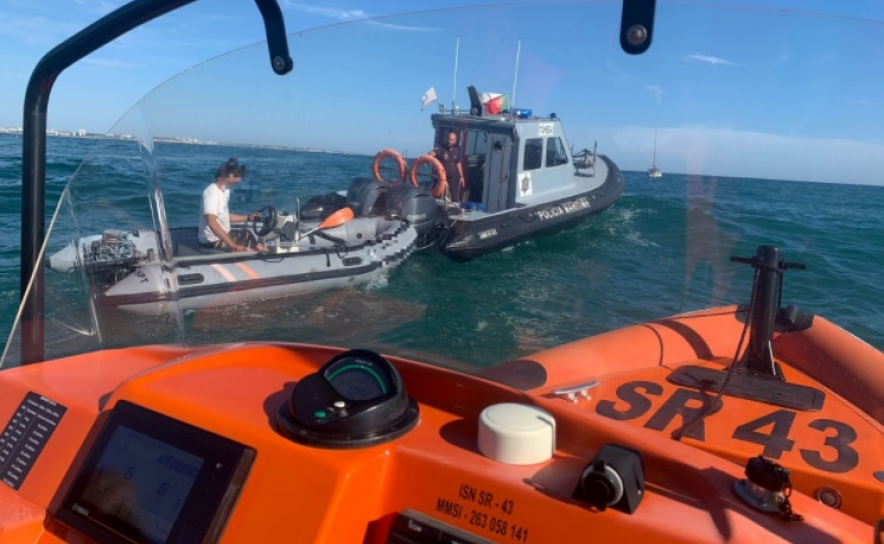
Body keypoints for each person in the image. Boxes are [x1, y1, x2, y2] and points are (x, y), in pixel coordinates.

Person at [198, 158, 262, 252]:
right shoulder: (211, 193)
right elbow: (212, 223)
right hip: (212, 241)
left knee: (248, 235)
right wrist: (233, 245)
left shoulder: (225, 190)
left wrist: (248, 217)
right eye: (237, 176)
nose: (239, 180)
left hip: (225, 234)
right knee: (258, 248)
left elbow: (224, 216)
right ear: (227, 175)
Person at [428, 130, 466, 203]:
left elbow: (458, 163)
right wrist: (428, 155)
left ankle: (454, 212)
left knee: (454, 199)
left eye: (452, 140)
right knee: (438, 197)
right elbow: (432, 153)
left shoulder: (457, 150)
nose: (449, 141)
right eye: (448, 139)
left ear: (455, 141)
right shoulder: (441, 149)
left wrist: (461, 176)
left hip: (453, 181)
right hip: (441, 179)